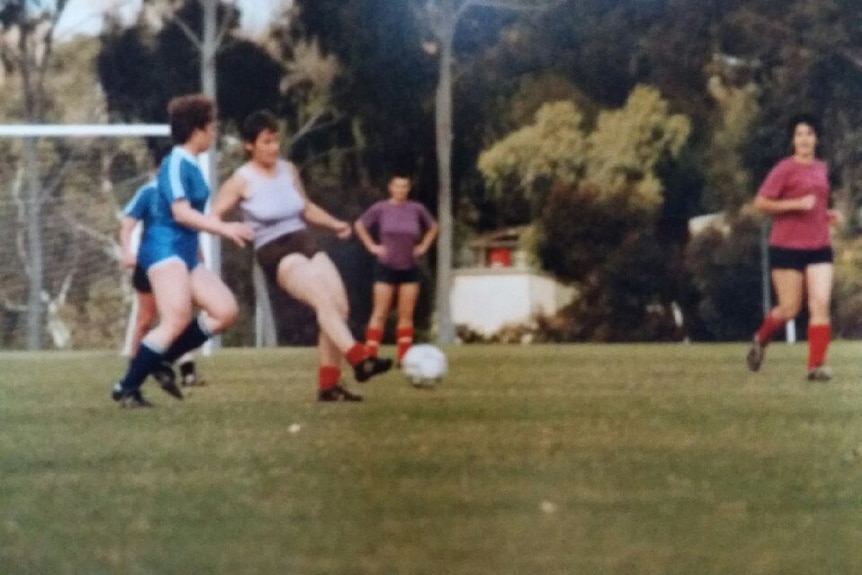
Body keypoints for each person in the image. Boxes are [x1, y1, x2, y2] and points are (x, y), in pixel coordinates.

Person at [212, 109, 392, 402]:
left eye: (275, 141)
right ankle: (360, 358)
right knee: (321, 298)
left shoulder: (288, 169)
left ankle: (329, 385)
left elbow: (305, 207)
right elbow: (214, 216)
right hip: (275, 250)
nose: (273, 148)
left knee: (339, 306)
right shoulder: (240, 180)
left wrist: (334, 224)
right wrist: (232, 228)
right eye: (266, 142)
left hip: (304, 240)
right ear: (249, 145)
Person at [111, 94, 254, 407]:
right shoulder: (176, 161)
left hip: (185, 252)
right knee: (175, 319)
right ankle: (126, 387)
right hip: (163, 249)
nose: (214, 132)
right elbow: (180, 213)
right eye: (211, 126)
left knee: (225, 310)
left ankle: (163, 361)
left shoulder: (190, 163)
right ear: (197, 129)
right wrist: (224, 227)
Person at [746, 114, 841, 381]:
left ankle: (816, 366)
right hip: (787, 247)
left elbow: (816, 204)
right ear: (793, 140)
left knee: (821, 303)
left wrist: (826, 215)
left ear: (816, 138)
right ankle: (760, 338)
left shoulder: (821, 167)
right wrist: (795, 205)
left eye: (809, 134)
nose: (805, 139)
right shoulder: (784, 169)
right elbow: (761, 203)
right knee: (789, 308)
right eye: (799, 134)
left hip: (819, 245)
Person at [119, 156, 203, 388]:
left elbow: (190, 231)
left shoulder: (184, 197)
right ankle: (133, 374)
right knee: (145, 320)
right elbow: (127, 226)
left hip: (178, 264)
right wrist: (127, 252)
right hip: (150, 264)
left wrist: (200, 260)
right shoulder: (148, 192)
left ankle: (187, 371)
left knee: (179, 317)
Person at [355, 171, 438, 364]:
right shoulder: (381, 208)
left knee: (406, 314)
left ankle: (404, 357)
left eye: (405, 186)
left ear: (408, 189)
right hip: (386, 266)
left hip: (409, 267)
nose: (401, 190)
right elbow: (360, 225)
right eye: (397, 186)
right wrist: (372, 246)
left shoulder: (416, 209)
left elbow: (433, 226)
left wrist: (423, 246)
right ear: (390, 188)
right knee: (380, 312)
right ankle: (371, 354)